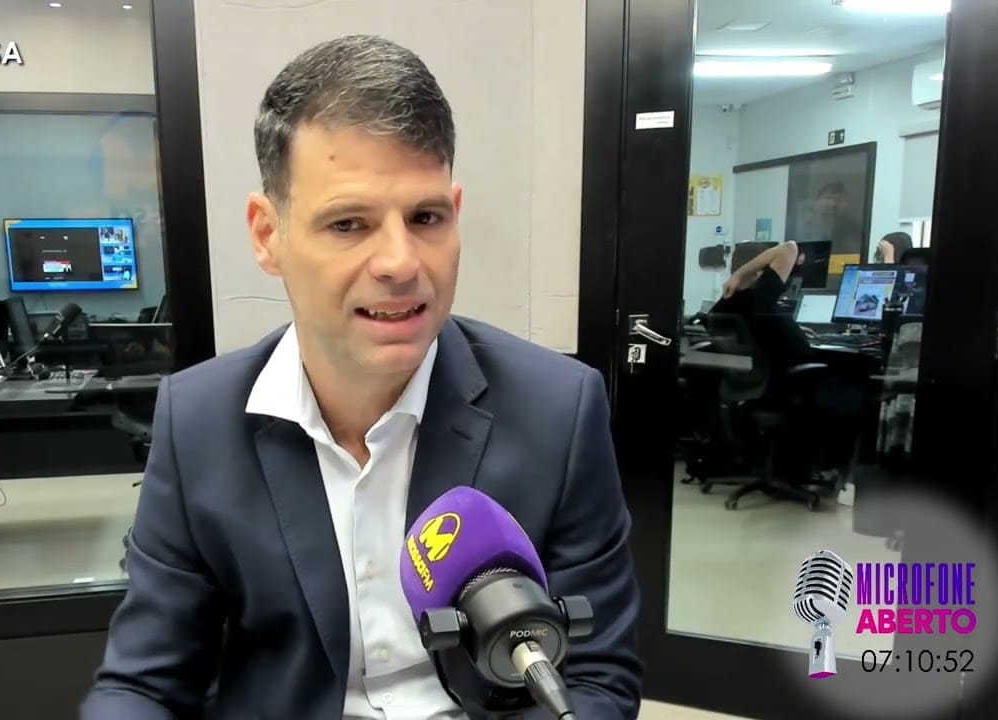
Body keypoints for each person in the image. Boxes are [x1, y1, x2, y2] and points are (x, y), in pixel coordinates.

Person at [80, 34, 642, 720]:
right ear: (267, 235)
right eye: (349, 224)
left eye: (426, 217)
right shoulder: (196, 423)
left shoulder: (559, 409)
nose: (401, 262)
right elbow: (142, 685)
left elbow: (596, 677)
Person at [712, 240, 814, 372]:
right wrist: (738, 275)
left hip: (748, 380)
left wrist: (793, 329)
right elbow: (790, 248)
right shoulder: (762, 294)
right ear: (758, 270)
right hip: (794, 375)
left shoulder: (725, 304)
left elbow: (759, 329)